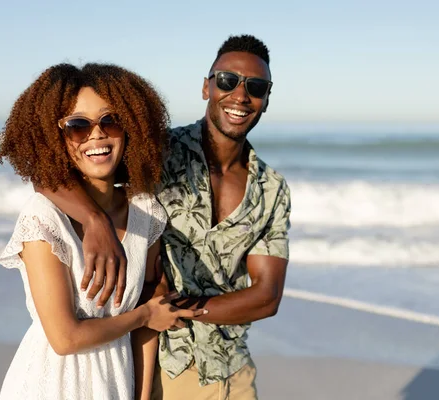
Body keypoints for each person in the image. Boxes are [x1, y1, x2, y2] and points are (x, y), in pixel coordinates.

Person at [41, 34, 291, 400]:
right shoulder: (156, 152)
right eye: (227, 80)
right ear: (207, 87)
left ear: (266, 100)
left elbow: (266, 297)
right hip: (163, 365)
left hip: (235, 370)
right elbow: (49, 175)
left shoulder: (272, 188)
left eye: (255, 87)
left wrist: (178, 309)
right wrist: (95, 220)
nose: (240, 95)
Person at [0, 63, 206, 400]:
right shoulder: (44, 218)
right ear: (54, 138)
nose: (96, 134)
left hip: (116, 382)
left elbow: (149, 319)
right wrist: (143, 316)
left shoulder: (145, 213)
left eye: (111, 120)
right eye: (77, 126)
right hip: (49, 386)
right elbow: (65, 339)